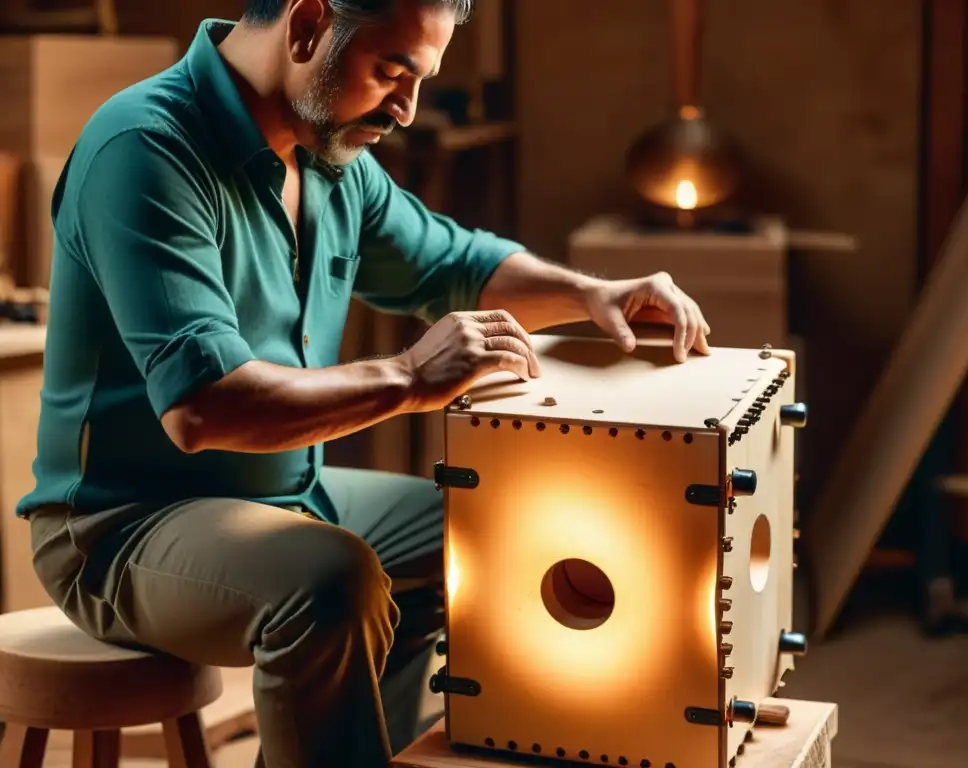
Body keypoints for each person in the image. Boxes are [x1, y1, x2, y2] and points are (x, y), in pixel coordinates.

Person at [17, 0, 711, 766]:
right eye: (391, 71)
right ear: (309, 21)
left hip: (284, 499)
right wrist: (410, 377)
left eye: (420, 79)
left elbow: (453, 263)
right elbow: (203, 409)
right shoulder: (145, 148)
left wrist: (591, 294)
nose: (407, 110)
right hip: (121, 529)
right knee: (329, 582)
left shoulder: (326, 157)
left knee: (490, 529)